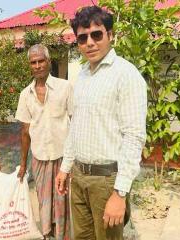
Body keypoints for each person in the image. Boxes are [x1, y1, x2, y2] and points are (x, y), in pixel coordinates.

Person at [55, 6, 147, 240]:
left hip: (107, 182)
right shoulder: (83, 75)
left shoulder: (126, 74)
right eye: (83, 38)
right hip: (79, 177)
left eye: (97, 34)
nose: (90, 43)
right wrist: (66, 168)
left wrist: (120, 192)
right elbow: (76, 127)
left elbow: (134, 136)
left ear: (110, 35)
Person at [15, 44, 72, 240]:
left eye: (41, 61)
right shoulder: (25, 94)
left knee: (64, 202)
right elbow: (25, 132)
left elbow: (75, 121)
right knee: (44, 203)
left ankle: (64, 236)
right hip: (39, 158)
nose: (38, 65)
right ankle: (48, 235)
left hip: (63, 158)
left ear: (49, 62)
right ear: (29, 66)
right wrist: (23, 164)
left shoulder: (65, 87)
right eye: (33, 62)